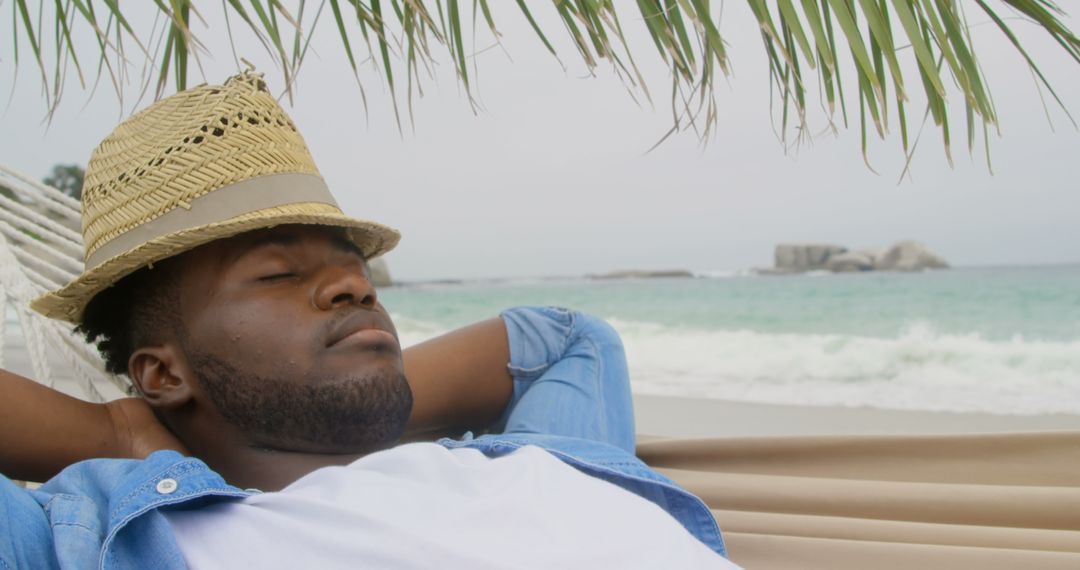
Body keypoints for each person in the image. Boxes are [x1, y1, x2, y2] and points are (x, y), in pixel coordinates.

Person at [0, 72, 735, 569]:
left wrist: (331, 401)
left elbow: (565, 338)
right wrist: (115, 435)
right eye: (279, 274)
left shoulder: (539, 464)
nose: (351, 285)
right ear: (161, 372)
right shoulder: (104, 539)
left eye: (350, 266)